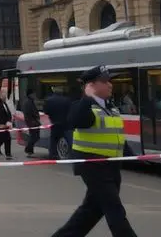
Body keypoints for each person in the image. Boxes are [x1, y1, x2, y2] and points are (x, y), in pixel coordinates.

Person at [52, 65, 137, 237]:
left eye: (109, 81)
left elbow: (116, 136)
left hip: (111, 166)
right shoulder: (82, 106)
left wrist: (134, 157)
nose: (110, 85)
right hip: (93, 165)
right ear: (91, 85)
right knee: (114, 209)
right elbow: (75, 120)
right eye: (105, 81)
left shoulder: (110, 108)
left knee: (91, 211)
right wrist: (87, 97)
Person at [21, 89, 41, 158]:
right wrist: (36, 118)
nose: (35, 95)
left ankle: (30, 150)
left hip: (33, 122)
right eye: (33, 94)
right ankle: (28, 149)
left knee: (34, 136)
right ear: (30, 94)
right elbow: (30, 113)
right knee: (35, 137)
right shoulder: (28, 102)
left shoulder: (30, 101)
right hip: (32, 123)